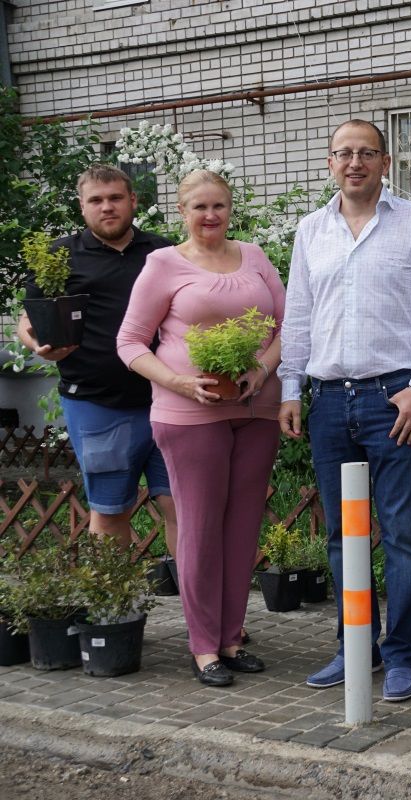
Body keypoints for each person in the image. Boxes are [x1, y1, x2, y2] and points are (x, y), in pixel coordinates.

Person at [279, 119, 411, 702]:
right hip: (329, 402)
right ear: (330, 162)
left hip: (393, 399)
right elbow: (297, 316)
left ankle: (402, 655)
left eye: (366, 153)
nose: (354, 162)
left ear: (385, 162)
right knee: (340, 535)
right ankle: (356, 647)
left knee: (402, 533)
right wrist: (289, 390)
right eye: (343, 152)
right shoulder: (311, 231)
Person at [117, 169, 284, 686]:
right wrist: (180, 383)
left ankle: (232, 639)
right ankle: (203, 647)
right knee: (200, 527)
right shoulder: (162, 265)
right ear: (182, 212)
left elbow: (289, 324)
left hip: (255, 410)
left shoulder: (254, 256)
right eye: (199, 207)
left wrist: (262, 369)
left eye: (219, 206)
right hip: (189, 413)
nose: (210, 216)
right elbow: (130, 343)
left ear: (230, 208)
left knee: (241, 528)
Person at [17, 164, 177, 552]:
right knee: (109, 512)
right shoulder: (60, 256)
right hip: (96, 404)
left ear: (133, 201)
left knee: (180, 506)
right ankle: (113, 609)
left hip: (168, 400)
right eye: (96, 200)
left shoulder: (164, 251)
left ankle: (196, 608)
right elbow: (28, 320)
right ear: (82, 207)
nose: (107, 207)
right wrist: (38, 345)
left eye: (116, 198)